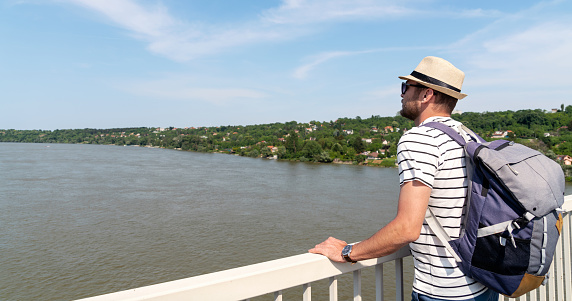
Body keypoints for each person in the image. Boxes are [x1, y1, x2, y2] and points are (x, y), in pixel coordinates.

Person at [309, 56, 499, 301]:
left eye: (406, 88)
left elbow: (407, 228)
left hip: (444, 292)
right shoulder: (469, 137)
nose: (401, 95)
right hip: (484, 285)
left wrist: (347, 252)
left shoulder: (419, 139)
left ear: (426, 94)